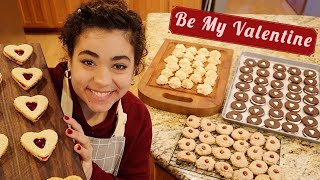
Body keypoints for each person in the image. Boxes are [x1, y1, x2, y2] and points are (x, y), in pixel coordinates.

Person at [48, 0, 152, 179]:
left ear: (134, 69)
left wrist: (90, 172)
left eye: (119, 66)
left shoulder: (137, 117)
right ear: (70, 59)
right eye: (88, 62)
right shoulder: (44, 88)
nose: (102, 81)